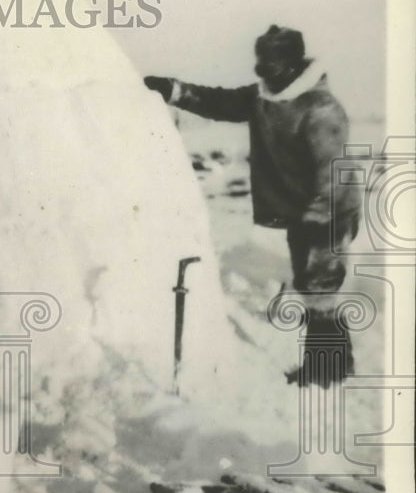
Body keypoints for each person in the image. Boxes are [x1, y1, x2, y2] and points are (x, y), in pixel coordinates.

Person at [143, 25, 362, 386]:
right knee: (312, 286)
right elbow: (220, 102)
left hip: (330, 209)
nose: (264, 74)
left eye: (271, 67)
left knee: (320, 284)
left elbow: (332, 171)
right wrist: (174, 90)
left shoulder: (321, 109)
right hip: (302, 209)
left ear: (292, 64)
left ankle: (327, 369)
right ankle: (337, 363)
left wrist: (320, 219)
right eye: (260, 66)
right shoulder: (263, 98)